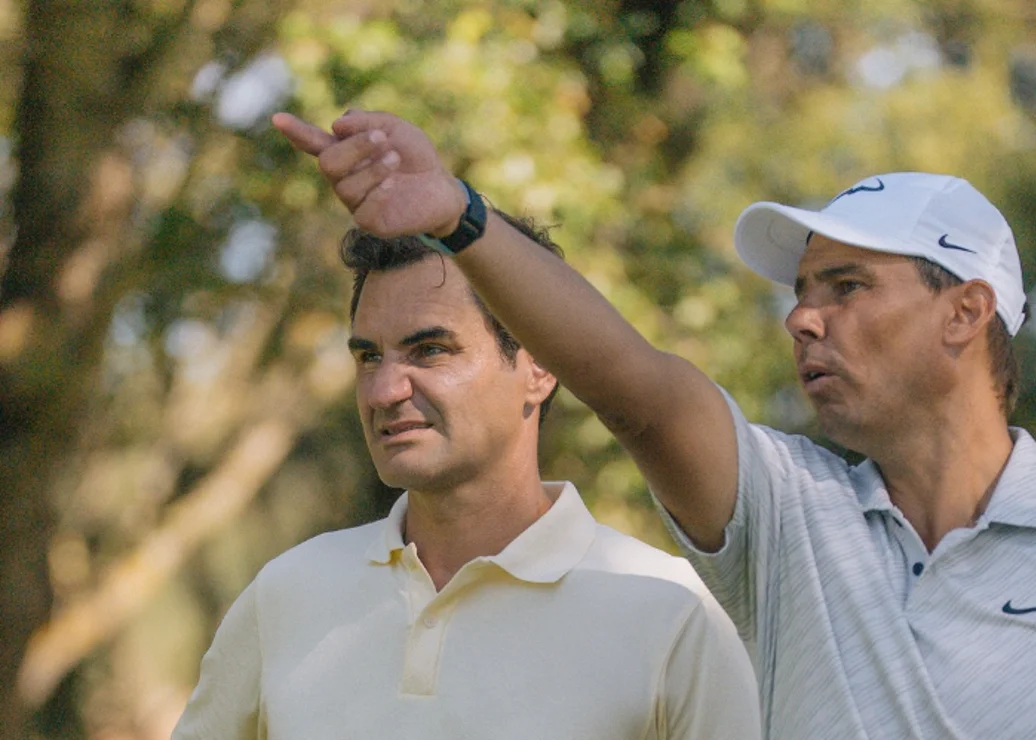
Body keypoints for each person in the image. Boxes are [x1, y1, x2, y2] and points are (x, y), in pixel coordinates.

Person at [272, 109, 1036, 739]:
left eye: (845, 286)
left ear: (964, 313)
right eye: (800, 291)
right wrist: (458, 217)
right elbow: (632, 385)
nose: (801, 316)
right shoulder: (791, 519)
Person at [171, 212, 763, 739]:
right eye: (368, 356)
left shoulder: (669, 611)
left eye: (429, 350)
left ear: (539, 368)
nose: (384, 390)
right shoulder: (287, 594)